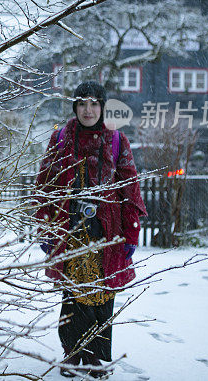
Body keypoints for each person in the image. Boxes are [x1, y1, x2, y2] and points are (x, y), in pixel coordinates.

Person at [33, 81, 147, 379]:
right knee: (72, 297)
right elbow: (45, 186)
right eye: (82, 103)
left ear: (102, 107)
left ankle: (97, 360)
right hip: (70, 233)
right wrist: (46, 229)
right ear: (75, 107)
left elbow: (130, 191)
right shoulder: (60, 139)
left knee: (103, 298)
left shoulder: (117, 141)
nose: (88, 109)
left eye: (94, 103)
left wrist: (131, 235)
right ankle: (72, 357)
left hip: (106, 236)